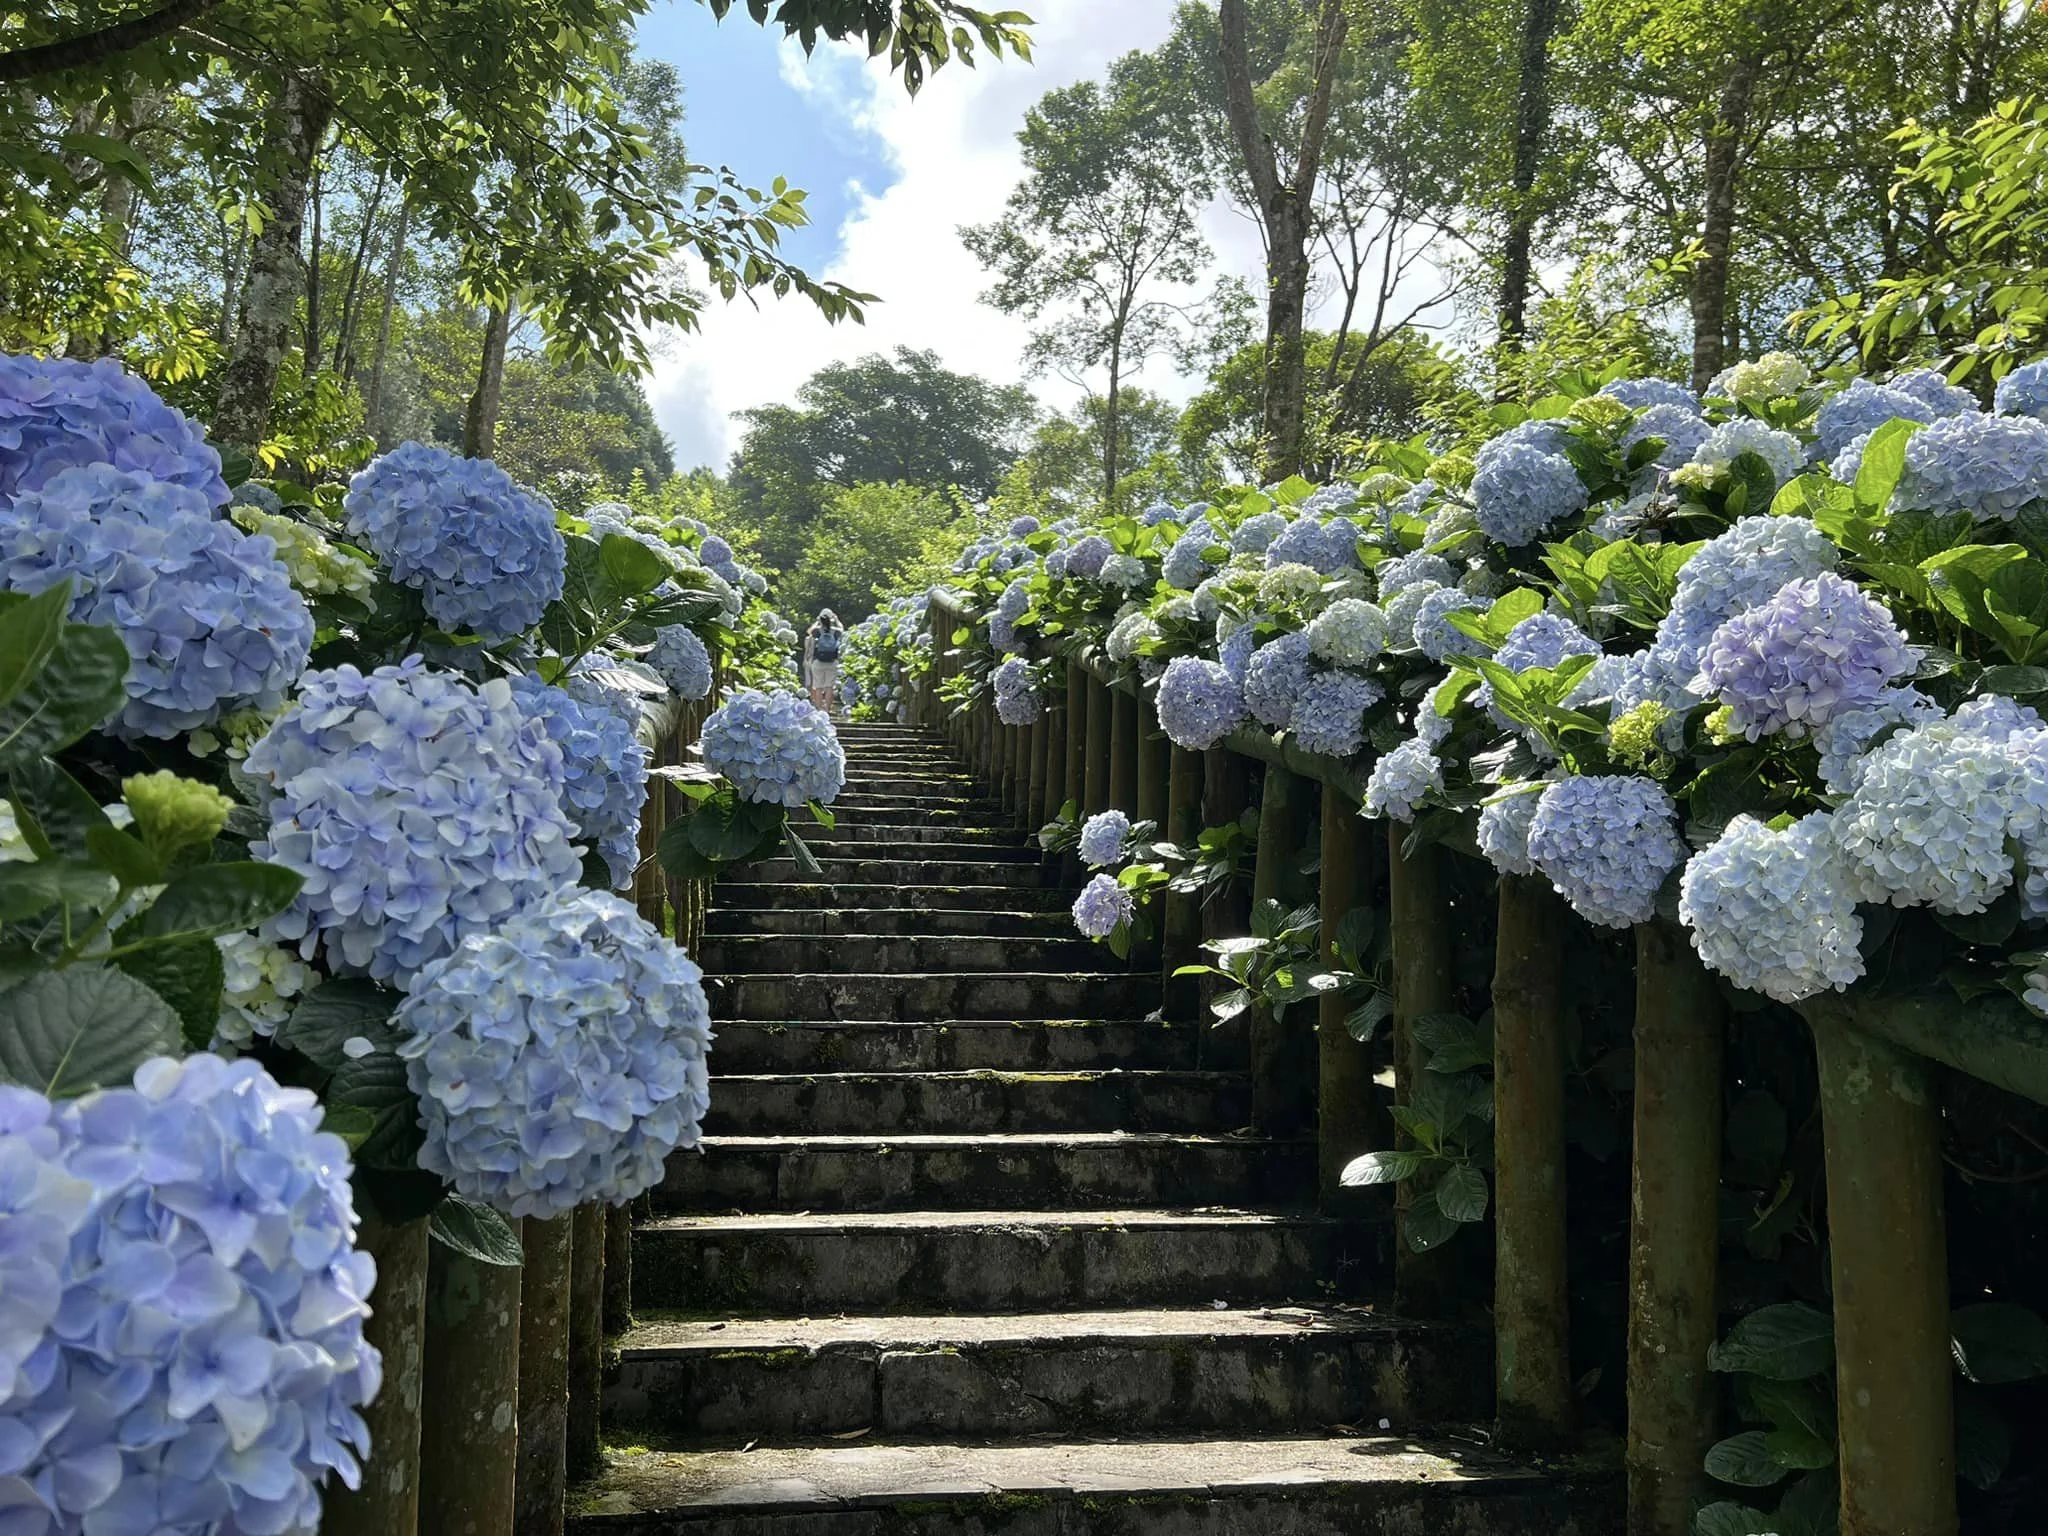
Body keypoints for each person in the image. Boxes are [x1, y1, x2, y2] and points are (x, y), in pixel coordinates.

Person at [803, 609, 844, 713]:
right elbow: (842, 629)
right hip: (832, 661)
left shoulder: (817, 631)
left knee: (818, 687)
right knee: (829, 687)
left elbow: (809, 631)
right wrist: (837, 619)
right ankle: (827, 710)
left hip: (818, 662)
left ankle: (819, 709)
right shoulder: (835, 631)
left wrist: (817, 621)